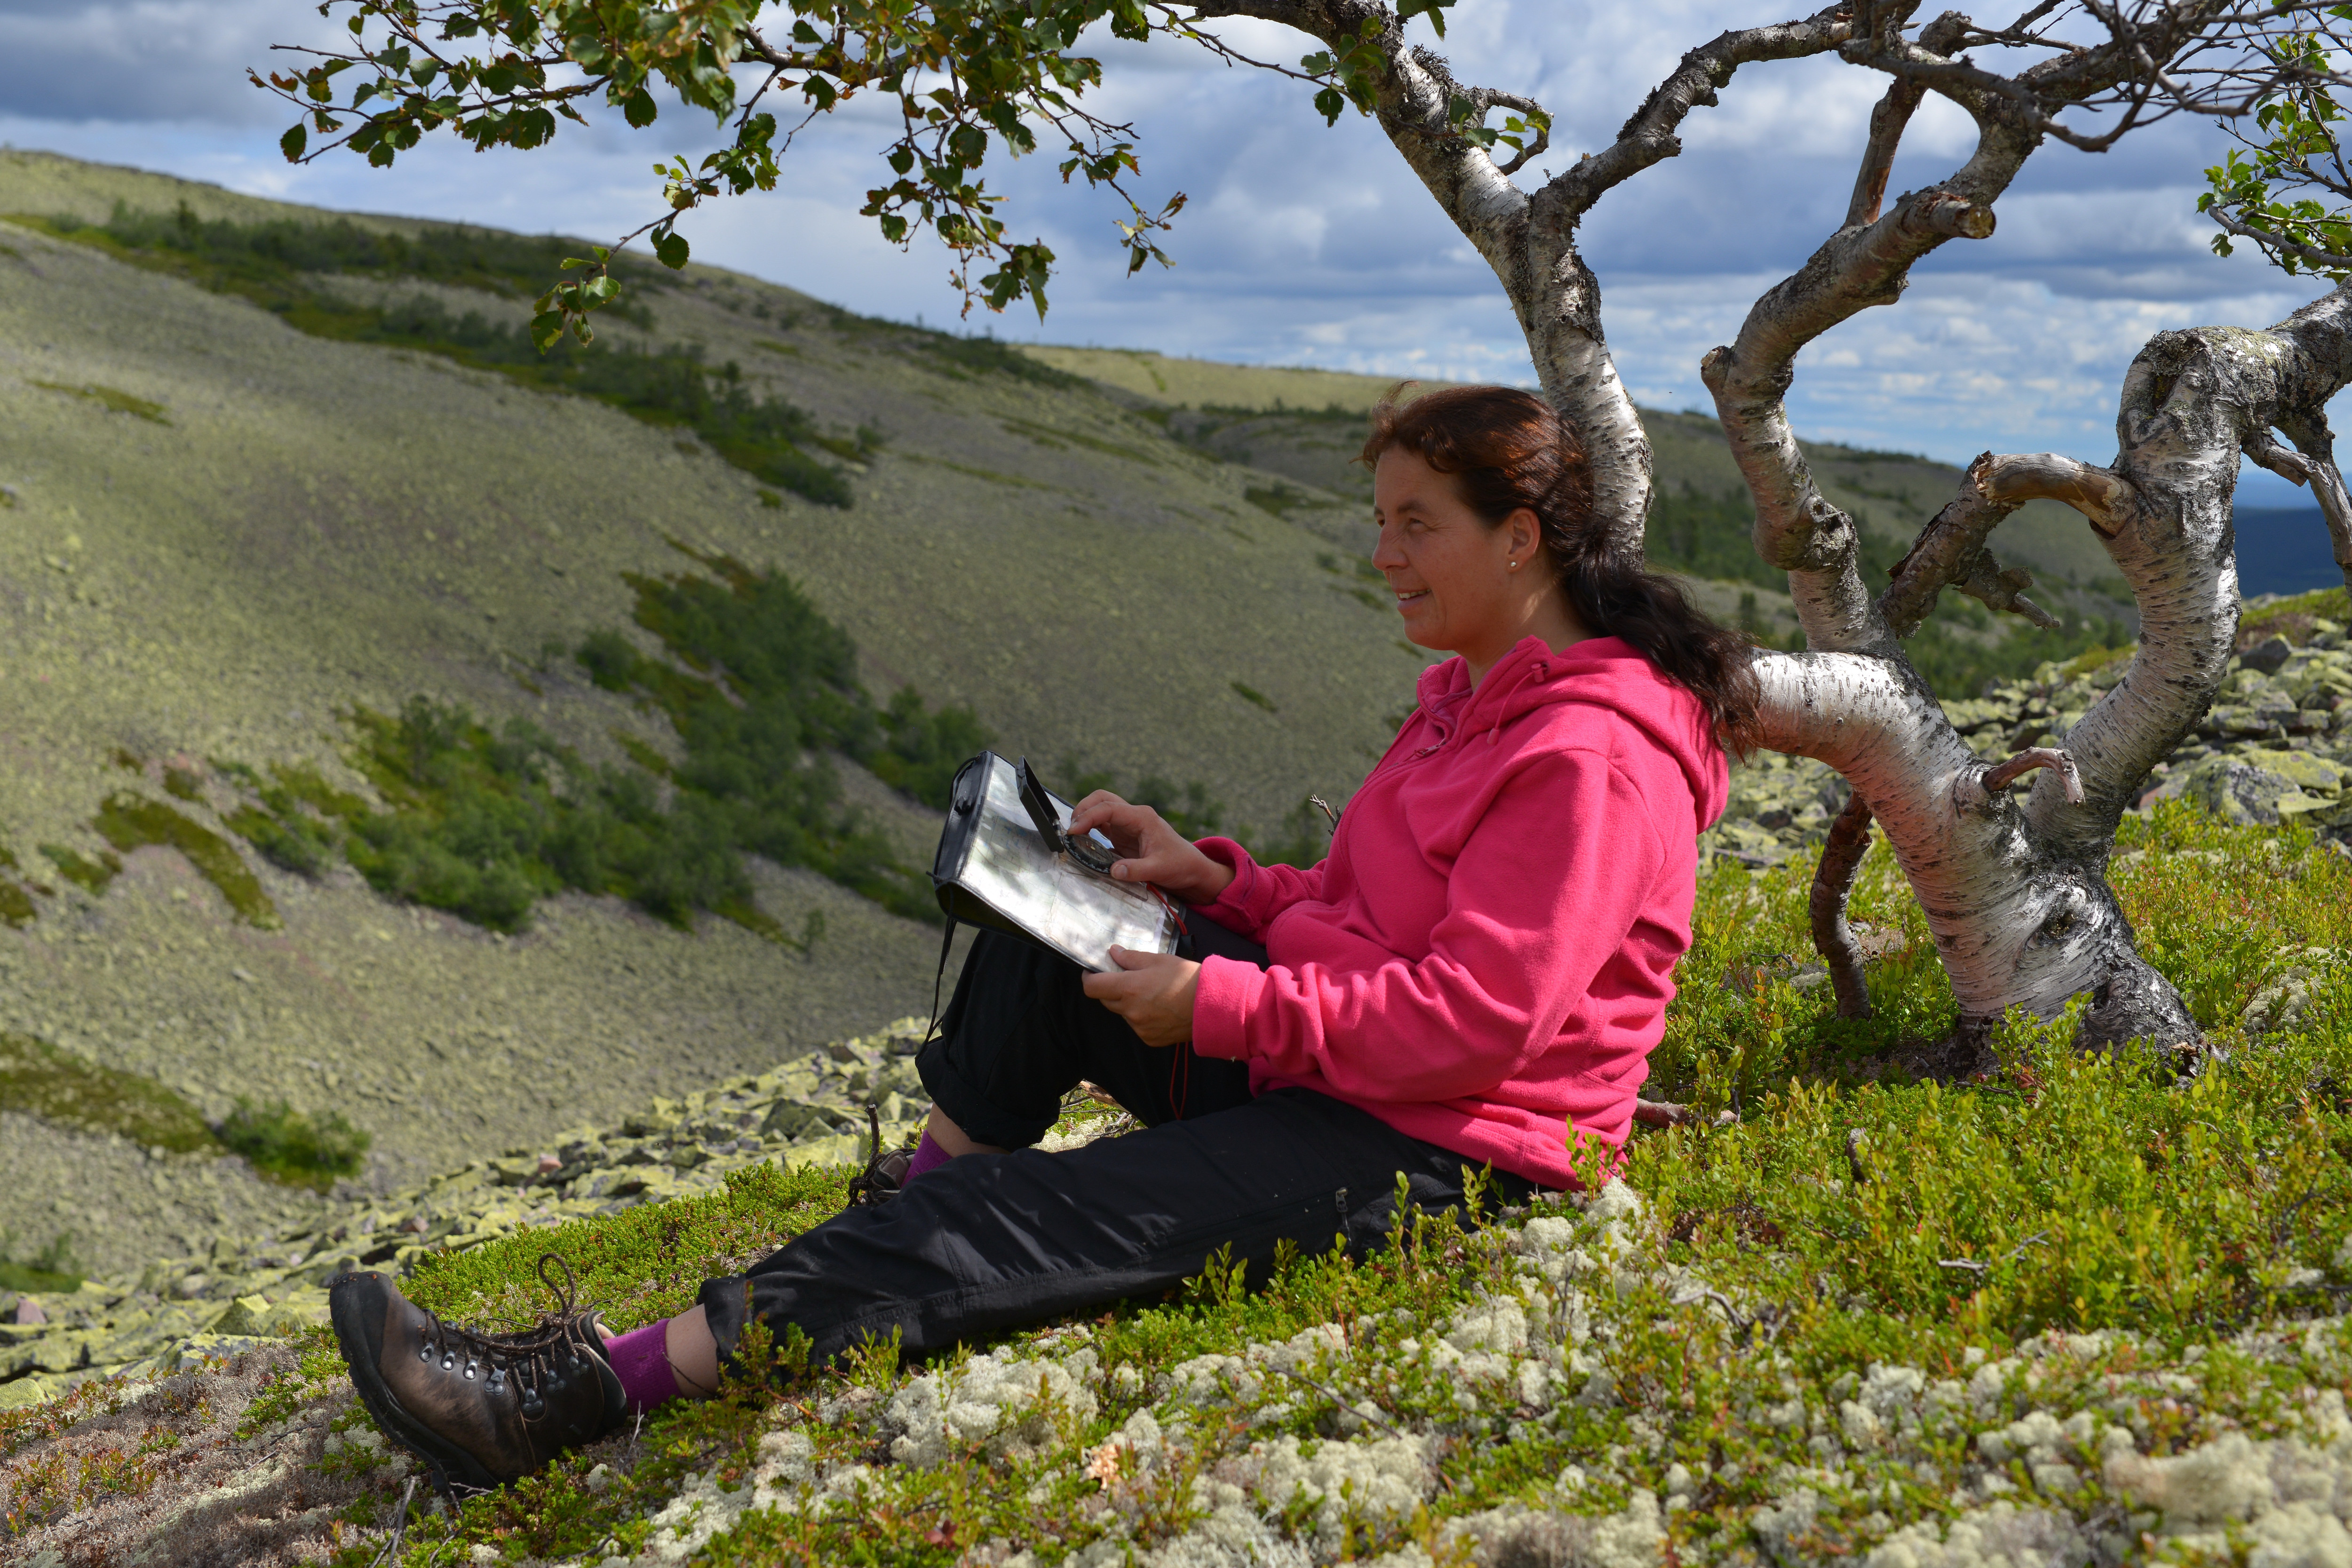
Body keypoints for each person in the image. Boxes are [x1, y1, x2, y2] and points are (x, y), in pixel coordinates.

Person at [326, 384, 1757, 1496]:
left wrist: (1219, 1004)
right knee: (1053, 929)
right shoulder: (1476, 697)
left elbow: (1477, 1020)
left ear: (1521, 537)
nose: (1384, 555)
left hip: (1449, 1154)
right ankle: (903, 1218)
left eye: (1415, 524)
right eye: (1379, 520)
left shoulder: (1584, 756)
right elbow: (1374, 916)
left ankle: (567, 1402)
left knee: (1000, 1225)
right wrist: (1217, 880)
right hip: (1357, 1073)